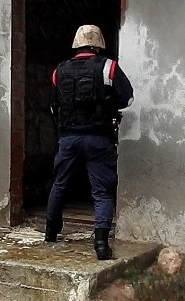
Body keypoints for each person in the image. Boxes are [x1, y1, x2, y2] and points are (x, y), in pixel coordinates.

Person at [44, 24, 134, 260]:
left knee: (60, 183)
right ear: (98, 44)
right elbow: (128, 98)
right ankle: (101, 244)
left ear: (76, 44)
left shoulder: (59, 70)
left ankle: (50, 234)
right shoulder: (109, 67)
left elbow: (53, 106)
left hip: (68, 138)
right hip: (98, 137)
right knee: (102, 191)